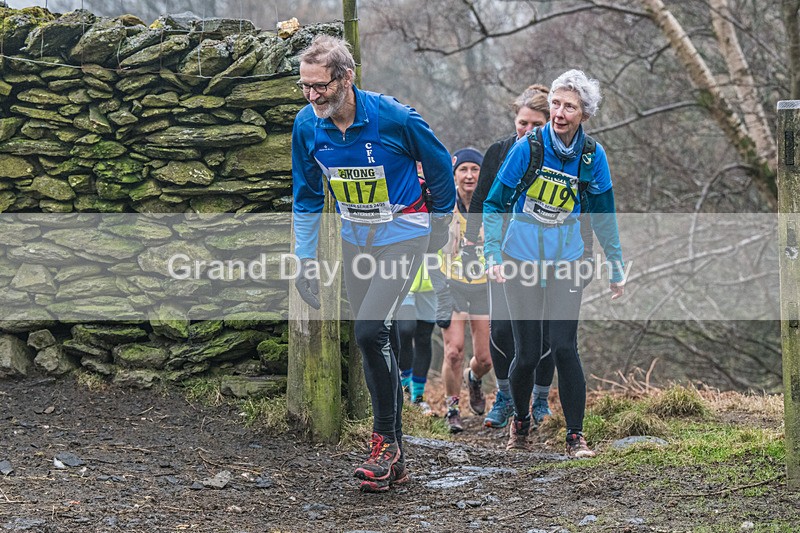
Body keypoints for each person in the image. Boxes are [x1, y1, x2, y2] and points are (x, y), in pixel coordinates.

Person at [291, 35, 455, 492]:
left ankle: (382, 444)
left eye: (321, 86)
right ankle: (395, 457)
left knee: (367, 330)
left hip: (404, 234)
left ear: (347, 78)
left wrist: (440, 222)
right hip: (355, 239)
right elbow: (307, 197)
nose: (312, 96)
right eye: (305, 86)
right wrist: (304, 260)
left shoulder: (393, 117)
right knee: (376, 337)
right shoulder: (307, 126)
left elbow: (439, 162)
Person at [483, 70, 625, 457]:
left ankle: (575, 436)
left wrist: (615, 264)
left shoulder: (592, 156)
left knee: (564, 346)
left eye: (570, 107)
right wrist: (492, 253)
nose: (560, 113)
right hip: (520, 257)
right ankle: (521, 422)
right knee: (528, 353)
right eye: (556, 104)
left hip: (567, 260)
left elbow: (604, 215)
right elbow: (494, 203)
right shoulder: (527, 148)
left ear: (585, 114)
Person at [461, 85, 560, 429]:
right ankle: (504, 397)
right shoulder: (500, 151)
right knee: (502, 329)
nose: (528, 131)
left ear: (549, 123)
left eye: (536, 125)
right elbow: (480, 199)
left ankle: (540, 400)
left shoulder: (558, 157)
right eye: (522, 123)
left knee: (544, 331)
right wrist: (470, 243)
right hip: (502, 251)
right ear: (514, 120)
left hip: (546, 253)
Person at [436, 148, 493, 433]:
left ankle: (474, 378)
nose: (469, 175)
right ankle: (453, 408)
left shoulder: (491, 205)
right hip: (452, 284)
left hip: (483, 287)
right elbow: (431, 249)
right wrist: (439, 288)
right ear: (455, 174)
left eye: (475, 169)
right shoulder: (445, 205)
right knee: (454, 351)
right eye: (463, 170)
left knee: (485, 359)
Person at [396, 262, 436, 416]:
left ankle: (418, 397)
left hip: (431, 281)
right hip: (403, 277)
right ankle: (406, 385)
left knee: (424, 338)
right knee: (405, 329)